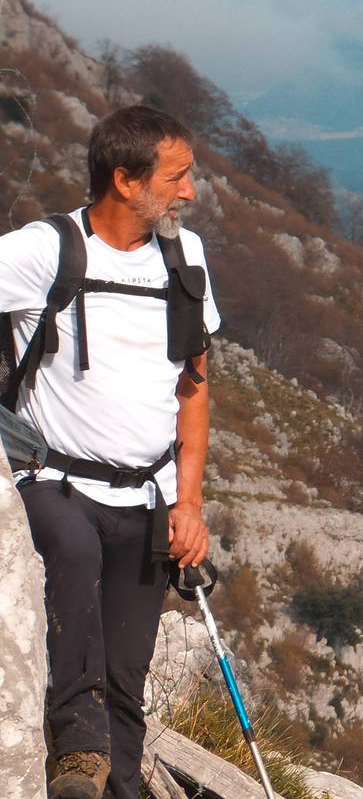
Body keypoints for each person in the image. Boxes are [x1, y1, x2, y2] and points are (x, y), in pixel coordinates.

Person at [1, 105, 219, 799]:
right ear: (125, 180)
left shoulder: (185, 258)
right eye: (177, 177)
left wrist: (190, 502)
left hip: (147, 500)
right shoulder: (47, 249)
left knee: (127, 678)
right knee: (73, 552)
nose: (190, 191)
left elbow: (195, 385)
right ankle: (78, 753)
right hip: (52, 481)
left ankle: (114, 783)